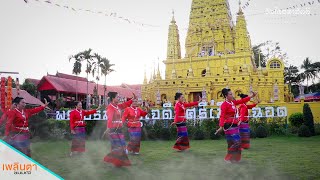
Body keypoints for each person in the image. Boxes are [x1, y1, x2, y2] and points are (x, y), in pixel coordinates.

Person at [215, 88, 257, 163]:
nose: (232, 95)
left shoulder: (232, 102)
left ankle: (234, 159)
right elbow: (222, 116)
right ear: (226, 96)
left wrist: (251, 96)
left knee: (232, 143)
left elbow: (242, 101)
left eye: (232, 94)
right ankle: (227, 158)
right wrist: (221, 126)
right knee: (237, 142)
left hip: (234, 124)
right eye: (230, 94)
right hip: (228, 125)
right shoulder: (224, 105)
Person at [103, 92, 135, 167]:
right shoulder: (110, 107)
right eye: (117, 97)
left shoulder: (117, 106)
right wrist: (108, 128)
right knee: (118, 147)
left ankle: (118, 163)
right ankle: (113, 161)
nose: (119, 98)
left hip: (119, 130)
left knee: (121, 147)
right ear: (113, 99)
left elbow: (124, 105)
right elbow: (109, 119)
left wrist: (133, 99)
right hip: (113, 130)